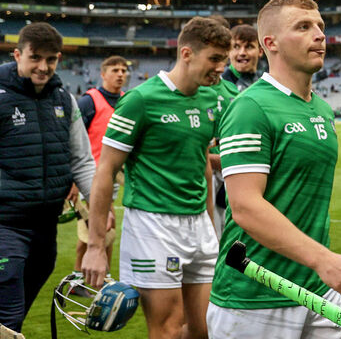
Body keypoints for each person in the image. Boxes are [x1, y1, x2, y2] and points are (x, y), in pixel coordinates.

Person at [207, 0, 341, 338]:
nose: (319, 34)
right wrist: (323, 259)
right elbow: (246, 207)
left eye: (321, 26)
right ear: (271, 44)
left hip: (318, 292)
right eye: (303, 26)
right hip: (255, 295)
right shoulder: (250, 107)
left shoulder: (323, 110)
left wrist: (318, 266)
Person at [82, 17, 231, 339]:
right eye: (215, 59)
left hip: (198, 226)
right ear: (187, 53)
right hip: (153, 226)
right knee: (167, 330)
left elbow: (201, 162)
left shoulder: (211, 99)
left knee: (206, 328)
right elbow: (105, 170)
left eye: (224, 60)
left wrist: (209, 224)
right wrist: (95, 246)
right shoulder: (140, 100)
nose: (221, 68)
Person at [0, 22, 99, 334]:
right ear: (18, 55)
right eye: (35, 58)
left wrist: (99, 207)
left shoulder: (64, 99)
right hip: (5, 224)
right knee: (9, 311)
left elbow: (81, 160)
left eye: (51, 59)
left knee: (19, 310)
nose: (43, 67)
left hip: (46, 225)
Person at [74, 55, 130, 270]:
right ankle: (87, 277)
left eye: (124, 70)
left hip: (117, 173)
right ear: (103, 74)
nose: (120, 74)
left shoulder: (129, 100)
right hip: (91, 175)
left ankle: (87, 277)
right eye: (115, 70)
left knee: (102, 230)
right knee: (98, 229)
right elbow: (75, 138)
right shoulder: (89, 101)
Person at [209, 24, 263, 238]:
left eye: (248, 46)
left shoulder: (262, 85)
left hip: (251, 176)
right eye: (236, 47)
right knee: (217, 242)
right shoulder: (214, 86)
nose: (241, 52)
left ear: (260, 50)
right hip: (216, 176)